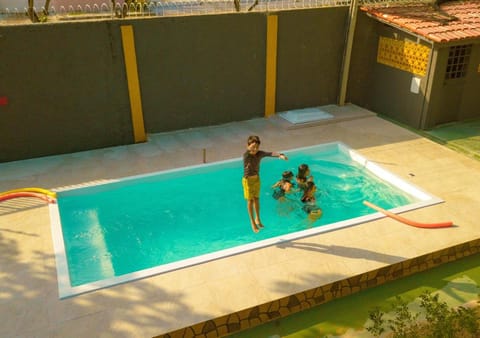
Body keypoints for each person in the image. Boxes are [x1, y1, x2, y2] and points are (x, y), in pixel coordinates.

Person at [242, 135, 288, 233]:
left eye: (257, 147)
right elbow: (249, 152)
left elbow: (270, 153)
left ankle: (257, 218)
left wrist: (280, 155)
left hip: (257, 179)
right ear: (248, 146)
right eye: (253, 147)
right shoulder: (246, 155)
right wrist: (250, 148)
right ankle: (252, 222)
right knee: (250, 201)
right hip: (247, 181)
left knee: (257, 199)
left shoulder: (259, 154)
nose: (255, 149)